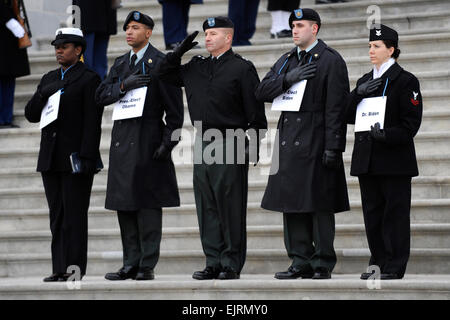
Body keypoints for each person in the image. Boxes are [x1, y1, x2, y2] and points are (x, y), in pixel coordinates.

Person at [157, 16, 267, 280]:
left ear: (228, 38)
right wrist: (177, 52)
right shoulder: (196, 66)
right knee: (206, 205)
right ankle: (213, 260)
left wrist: (253, 142)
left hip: (231, 139)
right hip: (202, 140)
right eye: (206, 34)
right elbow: (161, 74)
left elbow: (256, 112)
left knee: (229, 204)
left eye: (213, 34)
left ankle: (230, 262)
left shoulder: (242, 68)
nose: (207, 37)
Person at [255, 8, 350, 280]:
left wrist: (334, 146)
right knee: (292, 204)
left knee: (319, 204)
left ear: (315, 29)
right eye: (293, 25)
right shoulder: (287, 60)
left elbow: (336, 108)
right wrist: (287, 79)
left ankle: (321, 262)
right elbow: (261, 91)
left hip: (317, 139)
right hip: (289, 143)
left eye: (300, 25)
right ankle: (299, 260)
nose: (294, 30)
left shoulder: (330, 60)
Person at [95, 11, 183, 281]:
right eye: (127, 28)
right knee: (125, 206)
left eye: (135, 28)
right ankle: (129, 262)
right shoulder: (121, 63)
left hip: (148, 142)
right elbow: (100, 96)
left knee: (147, 207)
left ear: (148, 32)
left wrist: (168, 143)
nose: (129, 32)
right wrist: (123, 85)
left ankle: (146, 264)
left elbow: (176, 113)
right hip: (123, 145)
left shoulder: (160, 63)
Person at [24, 28, 103, 282]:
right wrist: (43, 93)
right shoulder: (48, 78)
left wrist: (88, 157)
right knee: (56, 216)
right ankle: (59, 267)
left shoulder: (89, 78)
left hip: (75, 159)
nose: (59, 50)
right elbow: (31, 114)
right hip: (50, 158)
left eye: (65, 46)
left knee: (75, 216)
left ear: (78, 50)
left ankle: (74, 269)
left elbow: (93, 123)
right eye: (57, 46)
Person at [346, 24, 422, 280]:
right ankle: (377, 262)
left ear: (391, 50)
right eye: (369, 46)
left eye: (377, 46)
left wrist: (387, 135)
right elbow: (345, 115)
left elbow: (411, 123)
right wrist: (356, 94)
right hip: (367, 159)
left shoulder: (406, 80)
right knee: (373, 214)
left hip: (394, 160)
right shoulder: (365, 81)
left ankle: (395, 265)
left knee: (395, 214)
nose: (371, 50)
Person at [0, 0, 30, 128]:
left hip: (10, 39)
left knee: (8, 79)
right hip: (3, 32)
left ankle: (6, 118)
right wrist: (9, 21)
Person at [73, 0, 118, 79]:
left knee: (100, 62)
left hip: (104, 14)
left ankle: (99, 85)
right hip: (86, 13)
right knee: (86, 62)